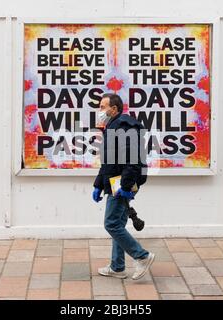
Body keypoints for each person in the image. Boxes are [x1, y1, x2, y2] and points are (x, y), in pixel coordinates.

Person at [92, 92, 155, 280]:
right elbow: (109, 163)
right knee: (118, 223)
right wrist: (98, 184)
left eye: (103, 107)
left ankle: (142, 256)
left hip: (122, 182)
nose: (100, 111)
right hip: (115, 181)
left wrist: (126, 188)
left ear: (114, 109)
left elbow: (133, 162)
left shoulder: (124, 128)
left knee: (111, 223)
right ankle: (118, 267)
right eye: (100, 107)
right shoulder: (112, 127)